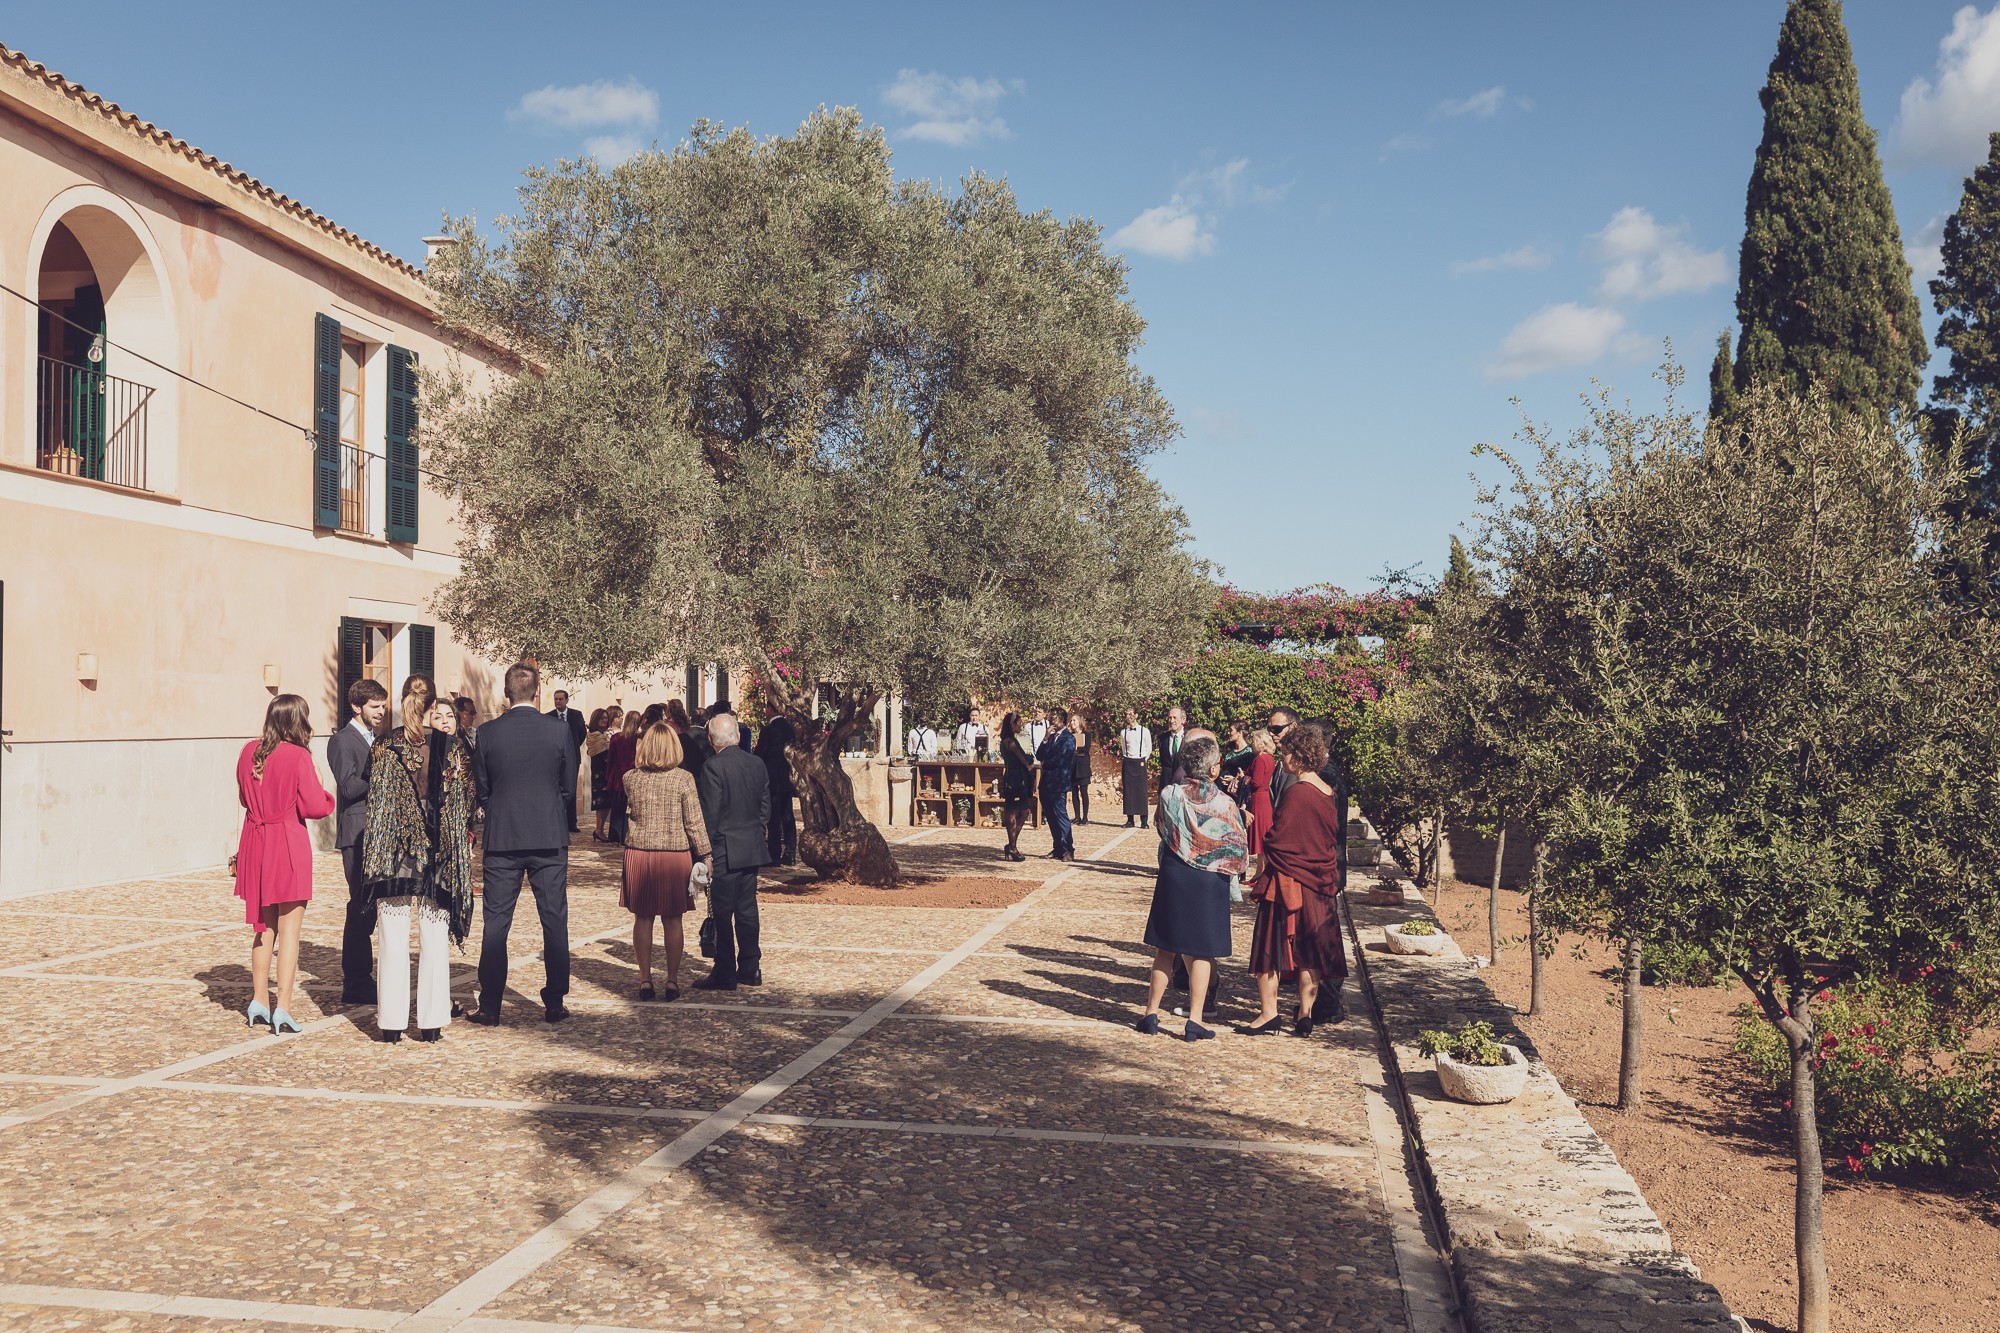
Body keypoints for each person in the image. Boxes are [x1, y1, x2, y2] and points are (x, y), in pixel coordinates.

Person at [360, 694, 475, 1042]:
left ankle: (392, 1024)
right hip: (440, 851)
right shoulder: (454, 748)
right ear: (429, 711)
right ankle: (431, 1022)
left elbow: (374, 796)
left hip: (394, 848)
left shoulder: (383, 744)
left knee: (392, 938)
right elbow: (468, 799)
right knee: (434, 937)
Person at [470, 662, 578, 1026]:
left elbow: (482, 790)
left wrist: (500, 810)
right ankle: (555, 1000)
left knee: (496, 922)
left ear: (506, 693)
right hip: (548, 835)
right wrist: (547, 810)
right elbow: (568, 786)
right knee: (554, 920)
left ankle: (490, 1004)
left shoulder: (487, 733)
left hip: (503, 836)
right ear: (537, 693)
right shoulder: (558, 731)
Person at [232, 694, 335, 1034]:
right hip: (287, 843)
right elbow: (316, 806)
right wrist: (322, 785)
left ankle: (259, 999)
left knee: (264, 928)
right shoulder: (299, 756)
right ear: (298, 720)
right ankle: (284, 1008)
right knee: (290, 932)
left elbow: (245, 799)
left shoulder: (249, 751)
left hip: (256, 844)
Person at [1135, 736, 1247, 1043]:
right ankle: (1195, 1021)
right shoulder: (1225, 803)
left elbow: (1161, 826)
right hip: (1209, 880)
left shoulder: (1169, 793)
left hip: (1175, 874)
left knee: (1165, 948)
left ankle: (1150, 1014)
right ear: (1213, 770)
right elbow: (1239, 849)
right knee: (1200, 951)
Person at [1243, 723, 1347, 1036]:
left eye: (1286, 753)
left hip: (1288, 883)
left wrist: (1267, 847)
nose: (1282, 759)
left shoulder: (1297, 793)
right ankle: (1305, 1013)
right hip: (1320, 883)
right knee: (1310, 952)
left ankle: (1268, 1013)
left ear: (1299, 757)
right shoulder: (1328, 791)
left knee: (1271, 947)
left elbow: (1278, 839)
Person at [622, 721, 712, 1001]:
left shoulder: (630, 778)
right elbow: (694, 822)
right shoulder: (683, 779)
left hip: (639, 853)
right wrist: (706, 855)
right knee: (673, 920)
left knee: (643, 918)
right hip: (674, 855)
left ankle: (645, 979)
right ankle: (671, 981)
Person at [696, 712, 771, 990]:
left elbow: (710, 814)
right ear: (738, 737)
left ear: (712, 740)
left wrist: (705, 853)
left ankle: (725, 970)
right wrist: (756, 830)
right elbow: (765, 806)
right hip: (750, 846)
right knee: (747, 909)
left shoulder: (713, 767)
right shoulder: (756, 763)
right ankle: (750, 967)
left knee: (723, 912)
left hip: (725, 847)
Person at [329, 677, 389, 1005]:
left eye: (383, 705)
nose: (381, 712)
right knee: (360, 907)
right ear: (357, 707)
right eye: (375, 706)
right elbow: (349, 788)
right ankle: (355, 980)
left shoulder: (373, 738)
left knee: (373, 907)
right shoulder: (342, 741)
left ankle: (363, 976)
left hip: (379, 833)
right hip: (356, 833)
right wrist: (379, 767)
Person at [754, 712, 798, 866]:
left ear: (769, 709)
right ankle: (790, 853)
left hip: (772, 780)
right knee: (788, 816)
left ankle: (774, 855)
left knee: (773, 818)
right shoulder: (789, 728)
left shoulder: (768, 730)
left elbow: (760, 753)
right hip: (786, 779)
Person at [1037, 707, 1077, 862]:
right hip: (1046, 783)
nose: (1050, 721)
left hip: (1058, 783)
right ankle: (1057, 848)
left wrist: (1045, 763)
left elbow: (1061, 760)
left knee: (1061, 816)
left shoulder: (1068, 738)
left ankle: (1068, 849)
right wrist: (1046, 738)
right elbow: (1039, 754)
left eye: (1053, 718)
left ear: (1061, 720)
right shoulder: (1051, 736)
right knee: (1051, 818)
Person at [995, 712, 1036, 862]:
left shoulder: (1008, 741)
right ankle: (1012, 847)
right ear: (1012, 725)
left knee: (1023, 811)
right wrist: (1030, 762)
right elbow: (1024, 759)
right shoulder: (1010, 742)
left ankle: (1012, 846)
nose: (1021, 725)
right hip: (1015, 780)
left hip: (1016, 779)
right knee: (1013, 812)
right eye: (1019, 723)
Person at [547, 690, 587, 833]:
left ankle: (571, 823)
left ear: (566, 700)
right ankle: (556, 821)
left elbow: (582, 734)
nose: (558, 702)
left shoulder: (576, 715)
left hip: (572, 759)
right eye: (555, 699)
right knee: (555, 789)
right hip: (553, 759)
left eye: (560, 699)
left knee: (571, 789)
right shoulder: (549, 717)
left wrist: (572, 748)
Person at [606, 710, 642, 845]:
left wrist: (608, 778)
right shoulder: (638, 739)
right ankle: (627, 835)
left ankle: (615, 835)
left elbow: (610, 760)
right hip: (633, 774)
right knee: (631, 807)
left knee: (617, 807)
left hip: (618, 776)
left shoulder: (616, 738)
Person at [1244, 728, 1278, 856]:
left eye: (1253, 740)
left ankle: (1260, 868)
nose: (1251, 743)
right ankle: (1261, 867)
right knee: (1264, 831)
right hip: (1266, 798)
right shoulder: (1270, 758)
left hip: (1258, 799)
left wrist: (1244, 778)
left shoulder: (1259, 759)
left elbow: (1256, 782)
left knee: (1258, 833)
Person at [1118, 708, 1154, 828]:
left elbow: (1148, 747)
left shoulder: (1145, 731)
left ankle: (1144, 820)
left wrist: (1143, 760)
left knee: (1141, 791)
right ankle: (1130, 819)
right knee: (1128, 791)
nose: (1129, 716)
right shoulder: (1123, 732)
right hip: (1128, 762)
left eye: (1131, 713)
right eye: (1127, 714)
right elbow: (1123, 747)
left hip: (1140, 762)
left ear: (1136, 715)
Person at [1266, 707, 1301, 811]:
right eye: (1269, 729)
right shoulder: (1281, 761)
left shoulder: (1303, 763)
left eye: (1276, 729)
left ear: (1293, 727)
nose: (1271, 734)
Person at [586, 708, 613, 841]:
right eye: (602, 718)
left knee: (605, 802)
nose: (604, 720)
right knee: (602, 802)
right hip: (600, 771)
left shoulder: (604, 734)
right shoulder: (595, 735)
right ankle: (599, 830)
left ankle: (599, 829)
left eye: (606, 718)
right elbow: (604, 755)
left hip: (605, 771)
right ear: (596, 719)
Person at [1156, 706, 1191, 788]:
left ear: (1183, 720)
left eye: (1174, 718)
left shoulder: (1190, 737)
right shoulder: (1162, 738)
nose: (1171, 721)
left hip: (1184, 785)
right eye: (1169, 718)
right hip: (1166, 785)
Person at [1070, 710, 1094, 825]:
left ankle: (1085, 817)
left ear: (1080, 722)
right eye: (1071, 720)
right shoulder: (1069, 735)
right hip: (1072, 766)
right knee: (1074, 792)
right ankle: (1077, 816)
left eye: (1074, 720)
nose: (1072, 722)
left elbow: (1085, 748)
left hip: (1083, 766)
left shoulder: (1087, 734)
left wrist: (1075, 749)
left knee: (1083, 791)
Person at [1219, 721, 1254, 797]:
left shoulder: (1249, 753)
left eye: (1231, 730)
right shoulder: (1228, 750)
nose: (1228, 733)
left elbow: (1250, 775)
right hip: (1222, 790)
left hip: (1236, 793)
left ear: (1240, 733)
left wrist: (1234, 780)